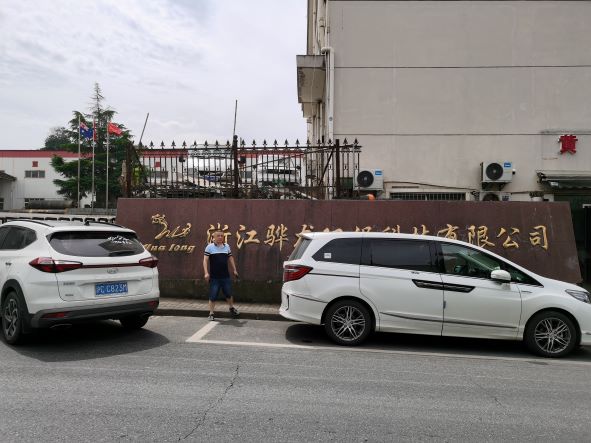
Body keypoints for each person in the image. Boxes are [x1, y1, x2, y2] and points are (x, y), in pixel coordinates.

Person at [203, 230, 240, 321]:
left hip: (225, 276)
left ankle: (231, 308)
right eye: (218, 236)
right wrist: (206, 273)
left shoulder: (227, 246)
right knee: (213, 295)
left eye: (222, 236)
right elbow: (205, 260)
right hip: (214, 277)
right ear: (214, 237)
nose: (220, 237)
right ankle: (211, 313)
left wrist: (234, 270)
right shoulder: (209, 247)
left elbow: (230, 258)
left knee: (228, 294)